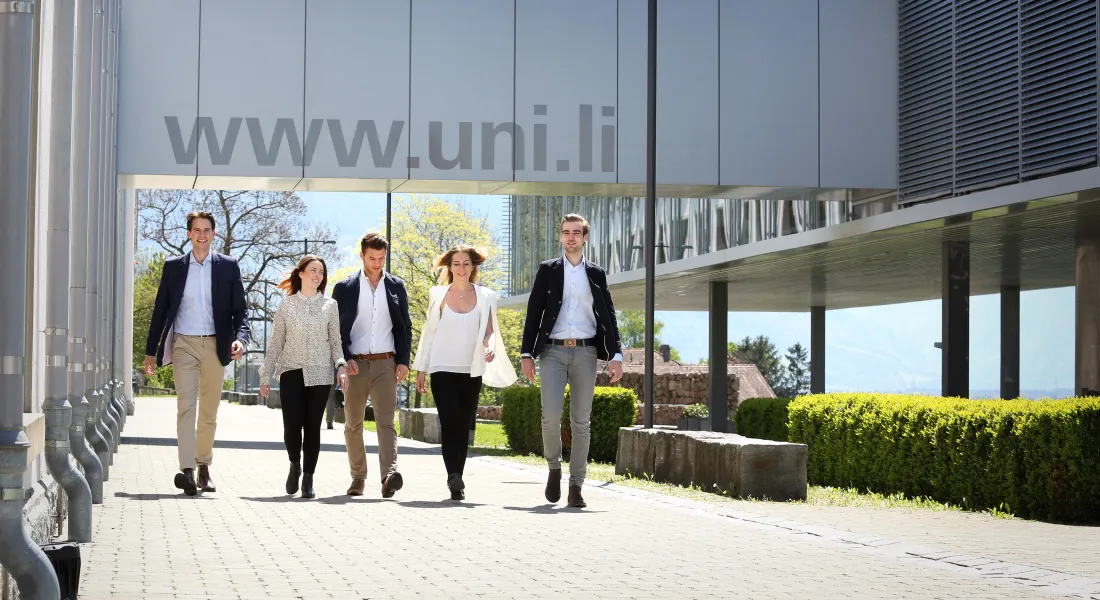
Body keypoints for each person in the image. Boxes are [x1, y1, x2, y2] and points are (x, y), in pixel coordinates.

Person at [144, 210, 251, 496]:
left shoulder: (228, 266)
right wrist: (150, 352)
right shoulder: (175, 267)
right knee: (185, 407)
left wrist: (241, 338)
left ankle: (204, 466)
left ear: (213, 234)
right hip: (184, 344)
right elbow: (160, 311)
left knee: (209, 411)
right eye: (197, 230)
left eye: (207, 230)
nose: (202, 235)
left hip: (216, 345)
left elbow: (241, 310)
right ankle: (187, 470)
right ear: (189, 234)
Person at [520, 214, 624, 509]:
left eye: (576, 233)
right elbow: (534, 312)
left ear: (585, 237)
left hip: (586, 352)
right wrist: (527, 353)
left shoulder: (596, 273)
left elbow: (609, 315)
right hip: (551, 351)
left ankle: (576, 485)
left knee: (581, 422)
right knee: (550, 417)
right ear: (561, 237)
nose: (570, 237)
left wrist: (616, 354)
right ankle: (554, 467)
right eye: (565, 232)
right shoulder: (547, 270)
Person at [412, 245, 517, 501]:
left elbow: (490, 330)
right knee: (449, 422)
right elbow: (429, 333)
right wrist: (421, 370)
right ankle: (453, 476)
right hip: (441, 367)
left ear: (473, 267)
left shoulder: (486, 295)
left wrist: (489, 346)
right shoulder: (437, 294)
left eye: (466, 263)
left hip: (471, 369)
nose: (461, 268)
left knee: (463, 424)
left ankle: (458, 474)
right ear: (449, 266)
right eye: (456, 263)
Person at [258, 255, 348, 499]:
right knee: (292, 425)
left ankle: (308, 478)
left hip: (320, 373)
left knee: (312, 427)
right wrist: (265, 375)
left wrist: (340, 365)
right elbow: (276, 343)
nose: (317, 276)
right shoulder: (286, 306)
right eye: (313, 270)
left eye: (321, 272)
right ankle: (294, 465)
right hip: (290, 371)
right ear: (301, 274)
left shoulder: (330, 305)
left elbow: (336, 342)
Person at [331, 232, 413, 498]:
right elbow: (335, 330)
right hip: (355, 365)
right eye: (372, 258)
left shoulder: (396, 286)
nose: (377, 263)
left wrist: (403, 360)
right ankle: (358, 478)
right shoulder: (345, 288)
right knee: (353, 423)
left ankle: (389, 475)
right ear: (362, 256)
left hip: (385, 364)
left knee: (386, 422)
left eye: (381, 258)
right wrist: (344, 360)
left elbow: (405, 328)